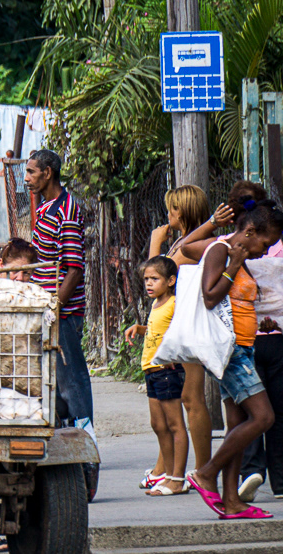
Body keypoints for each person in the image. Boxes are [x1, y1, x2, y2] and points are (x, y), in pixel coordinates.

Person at [186, 201, 283, 519]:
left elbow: (237, 303)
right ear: (251, 231)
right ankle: (206, 473)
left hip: (245, 346)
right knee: (264, 418)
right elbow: (210, 296)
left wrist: (261, 321)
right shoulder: (221, 251)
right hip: (231, 353)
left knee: (239, 425)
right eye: (265, 243)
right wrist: (233, 264)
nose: (264, 251)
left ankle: (231, 501)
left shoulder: (241, 259)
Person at [24, 149, 98, 499]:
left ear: (49, 173)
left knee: (72, 383)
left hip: (63, 312)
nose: (27, 178)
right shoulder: (42, 209)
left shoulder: (67, 211)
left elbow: (72, 267)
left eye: (32, 172)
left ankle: (88, 455)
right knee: (51, 383)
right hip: (46, 306)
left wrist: (55, 305)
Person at [140, 185, 213, 488]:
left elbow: (158, 275)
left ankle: (203, 469)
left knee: (191, 399)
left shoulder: (191, 246)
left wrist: (156, 243)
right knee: (169, 407)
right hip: (175, 330)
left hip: (189, 331)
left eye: (171, 209)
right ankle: (164, 466)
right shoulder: (183, 243)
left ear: (180, 212)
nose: (167, 215)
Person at [125, 257, 189, 495]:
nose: (149, 284)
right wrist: (139, 329)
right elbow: (156, 331)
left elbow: (184, 332)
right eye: (146, 280)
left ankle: (177, 479)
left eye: (155, 279)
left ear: (171, 281)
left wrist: (177, 355)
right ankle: (167, 475)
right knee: (158, 425)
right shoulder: (156, 304)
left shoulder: (174, 303)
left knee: (175, 425)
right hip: (151, 370)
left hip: (167, 371)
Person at [238, 250, 283, 502]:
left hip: (256, 342)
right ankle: (268, 477)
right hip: (252, 342)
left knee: (256, 412)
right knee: (264, 413)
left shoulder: (231, 249)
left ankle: (254, 474)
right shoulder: (228, 249)